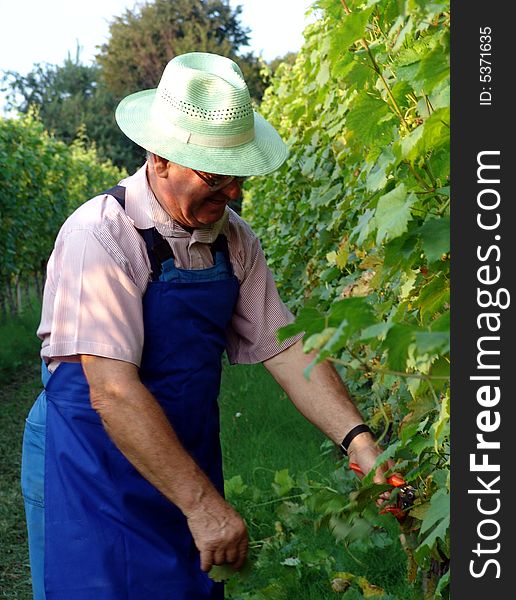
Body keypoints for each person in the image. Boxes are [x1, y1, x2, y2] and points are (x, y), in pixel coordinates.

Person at [21, 52, 388, 599]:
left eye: (240, 177)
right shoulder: (100, 236)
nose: (234, 194)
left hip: (180, 454)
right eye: (217, 178)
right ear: (160, 158)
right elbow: (114, 392)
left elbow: (284, 348)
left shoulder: (235, 241)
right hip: (91, 463)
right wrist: (202, 505)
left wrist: (359, 443)